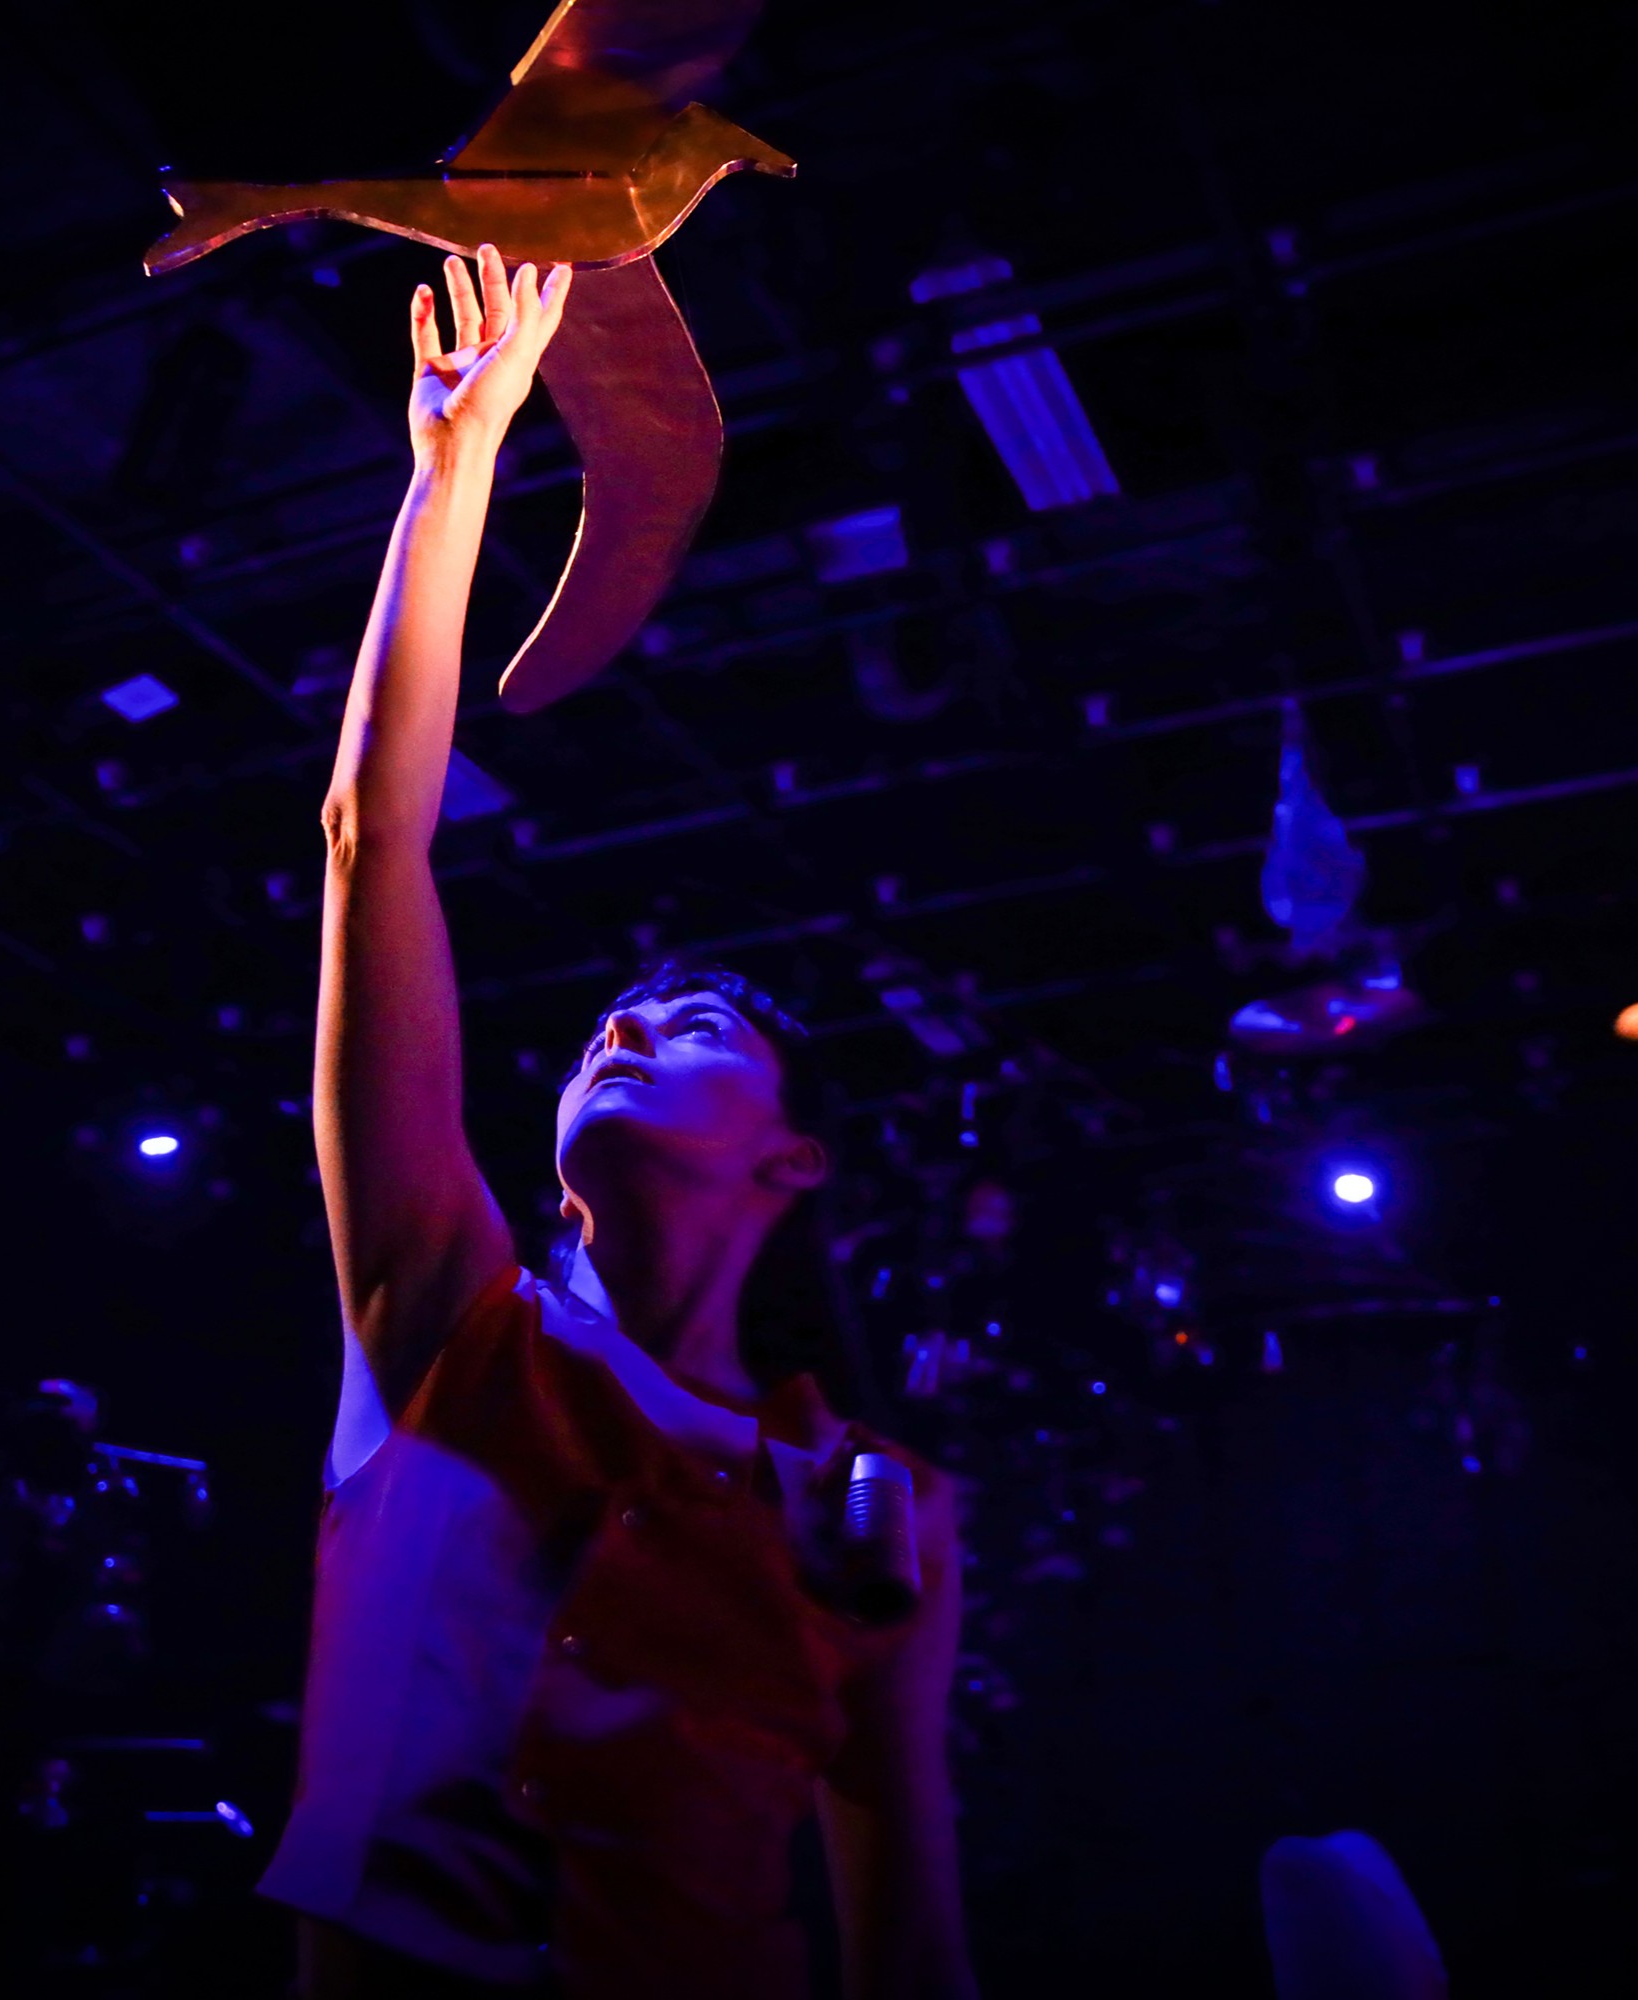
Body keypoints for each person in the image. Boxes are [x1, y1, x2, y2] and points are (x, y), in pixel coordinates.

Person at [256, 245, 976, 2000]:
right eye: (606, 1028)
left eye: (695, 1025)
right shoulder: (441, 1321)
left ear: (793, 1158)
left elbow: (902, 1895)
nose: (623, 1027)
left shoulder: (870, 1501)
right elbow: (371, 838)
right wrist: (456, 466)